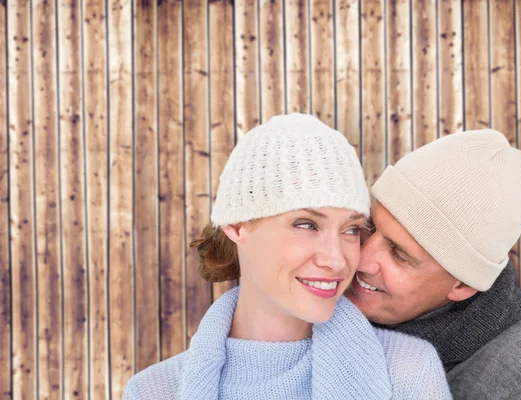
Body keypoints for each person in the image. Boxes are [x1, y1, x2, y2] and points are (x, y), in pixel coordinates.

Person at [123, 114, 451, 399]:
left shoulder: (407, 373)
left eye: (351, 229)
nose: (336, 260)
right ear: (237, 225)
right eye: (306, 224)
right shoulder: (154, 391)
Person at [346, 129, 521, 399]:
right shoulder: (318, 298)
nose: (361, 259)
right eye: (369, 226)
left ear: (462, 285)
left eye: (399, 255)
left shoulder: (516, 368)